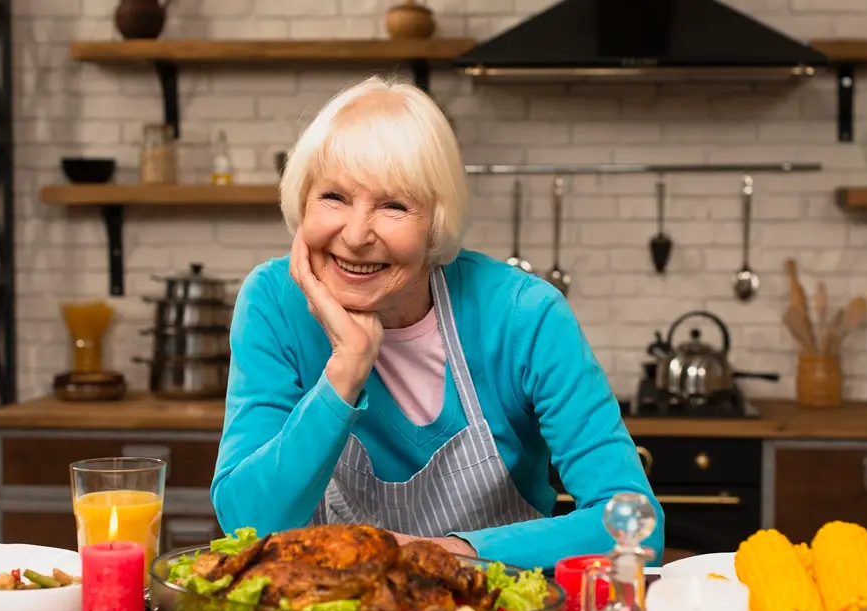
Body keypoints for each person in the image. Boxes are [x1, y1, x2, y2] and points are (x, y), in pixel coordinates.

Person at [210, 76, 664, 571]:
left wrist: (446, 555)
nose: (357, 235)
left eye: (394, 206)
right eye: (334, 197)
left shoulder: (523, 316)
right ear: (302, 203)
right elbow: (246, 524)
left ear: (435, 226)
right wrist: (347, 367)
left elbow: (637, 528)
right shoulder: (275, 303)